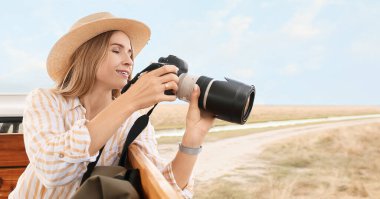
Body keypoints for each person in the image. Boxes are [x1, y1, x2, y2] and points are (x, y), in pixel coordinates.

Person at [9, 12, 214, 199]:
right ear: (88, 55)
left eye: (131, 54)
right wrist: (130, 100)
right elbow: (51, 170)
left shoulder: (134, 122)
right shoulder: (46, 100)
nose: (129, 61)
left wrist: (193, 139)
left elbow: (162, 186)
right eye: (117, 50)